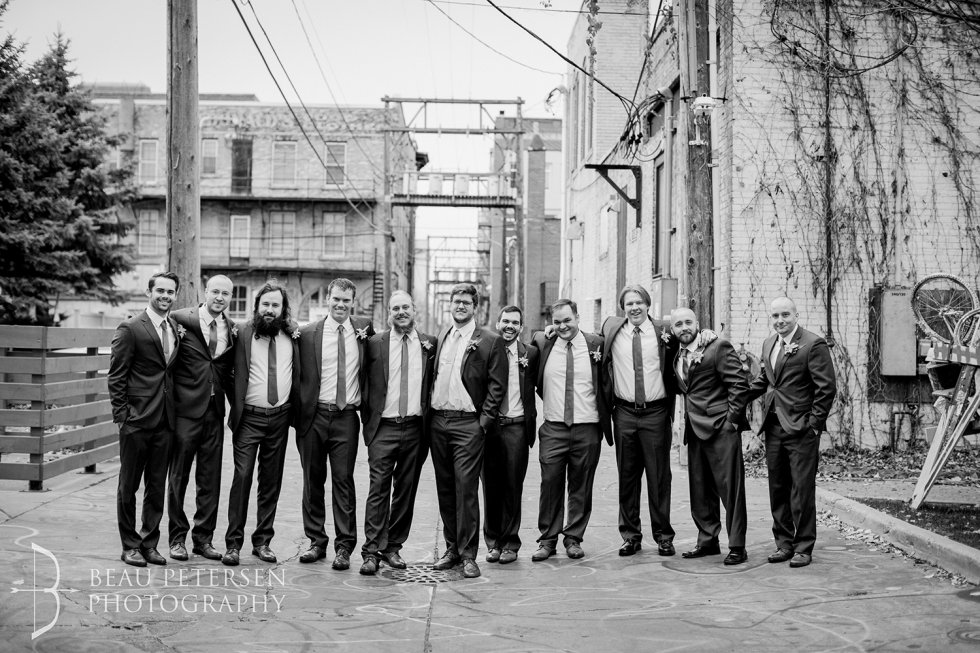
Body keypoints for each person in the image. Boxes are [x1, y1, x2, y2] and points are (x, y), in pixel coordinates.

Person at [746, 297, 837, 568]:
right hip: (774, 427)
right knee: (778, 488)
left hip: (801, 429)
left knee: (801, 490)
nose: (780, 320)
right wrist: (736, 395)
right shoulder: (769, 344)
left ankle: (804, 546)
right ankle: (783, 544)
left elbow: (826, 388)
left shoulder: (813, 344)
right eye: (775, 316)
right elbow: (766, 380)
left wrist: (814, 425)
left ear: (796, 315)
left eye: (785, 314)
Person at [294, 278, 374, 570]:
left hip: (346, 418)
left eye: (346, 300)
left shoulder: (364, 331)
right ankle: (316, 541)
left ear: (353, 302)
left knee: (343, 481)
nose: (341, 305)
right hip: (314, 416)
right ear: (328, 299)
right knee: (312, 481)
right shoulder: (308, 334)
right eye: (336, 299)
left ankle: (344, 546)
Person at [429, 283, 507, 579]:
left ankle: (468, 555)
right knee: (446, 488)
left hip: (468, 424)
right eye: (456, 301)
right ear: (450, 305)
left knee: (466, 489)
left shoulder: (489, 340)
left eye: (466, 302)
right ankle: (451, 549)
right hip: (438, 422)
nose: (460, 306)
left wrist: (482, 424)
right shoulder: (442, 336)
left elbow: (497, 386)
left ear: (476, 307)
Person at [358, 290, 437, 575]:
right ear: (388, 313)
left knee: (405, 490)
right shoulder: (374, 343)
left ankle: (392, 547)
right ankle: (370, 551)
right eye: (395, 308)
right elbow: (362, 379)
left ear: (414, 310)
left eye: (405, 307)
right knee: (378, 488)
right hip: (383, 427)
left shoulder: (430, 344)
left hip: (416, 428)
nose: (401, 312)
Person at [222, 282, 299, 566]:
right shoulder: (241, 333)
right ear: (257, 307)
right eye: (265, 304)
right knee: (242, 477)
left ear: (283, 309)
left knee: (270, 481)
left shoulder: (293, 336)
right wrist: (236, 400)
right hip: (249, 419)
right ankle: (233, 544)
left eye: (275, 305)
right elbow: (224, 370)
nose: (269, 310)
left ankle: (263, 542)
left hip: (279, 418)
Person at [529, 299, 611, 562]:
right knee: (550, 485)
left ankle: (573, 538)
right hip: (554, 427)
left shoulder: (596, 345)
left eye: (567, 320)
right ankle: (548, 539)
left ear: (578, 317)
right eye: (557, 322)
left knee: (581, 486)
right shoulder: (542, 343)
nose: (563, 326)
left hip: (587, 428)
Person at [108, 271, 181, 567]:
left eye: (170, 292)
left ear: (175, 295)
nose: (165, 296)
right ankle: (129, 545)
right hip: (136, 421)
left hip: (165, 420)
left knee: (156, 486)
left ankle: (149, 543)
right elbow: (116, 375)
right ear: (149, 292)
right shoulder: (130, 328)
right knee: (129, 486)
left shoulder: (173, 327)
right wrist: (123, 416)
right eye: (160, 290)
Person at [601, 285, 678, 557]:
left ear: (648, 304)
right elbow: (586, 340)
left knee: (659, 478)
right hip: (624, 413)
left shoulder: (665, 332)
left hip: (656, 413)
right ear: (622, 307)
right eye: (629, 303)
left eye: (638, 302)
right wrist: (547, 332)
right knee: (627, 477)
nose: (634, 308)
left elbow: (690, 336)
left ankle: (663, 536)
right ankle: (630, 536)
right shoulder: (611, 329)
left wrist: (708, 334)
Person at [670, 307, 749, 566]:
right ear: (672, 329)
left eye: (688, 322)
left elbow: (739, 384)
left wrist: (731, 422)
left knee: (730, 490)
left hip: (721, 428)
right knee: (700, 490)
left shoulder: (717, 347)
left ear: (698, 324)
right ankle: (707, 540)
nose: (684, 327)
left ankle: (737, 546)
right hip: (694, 430)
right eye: (678, 324)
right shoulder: (675, 353)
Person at [167, 275, 236, 562]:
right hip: (185, 411)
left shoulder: (232, 328)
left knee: (210, 478)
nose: (220, 297)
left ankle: (203, 539)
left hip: (214, 411)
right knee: (178, 477)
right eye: (215, 291)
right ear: (205, 292)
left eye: (226, 293)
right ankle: (176, 538)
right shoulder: (180, 319)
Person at [482, 305, 538, 565]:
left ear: (521, 327)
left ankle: (510, 543)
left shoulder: (531, 354)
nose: (509, 326)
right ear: (497, 323)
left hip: (517, 426)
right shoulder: (485, 349)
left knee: (513, 487)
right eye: (505, 321)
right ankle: (493, 543)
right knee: (490, 486)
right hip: (490, 427)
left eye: (515, 322)